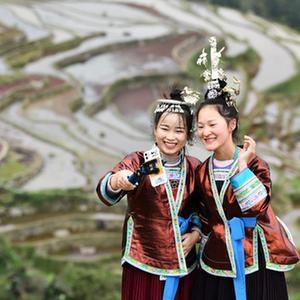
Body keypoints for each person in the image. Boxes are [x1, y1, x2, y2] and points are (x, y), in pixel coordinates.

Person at [191, 37, 300, 300]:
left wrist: (241, 169)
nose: (205, 132)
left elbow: (258, 208)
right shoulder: (202, 171)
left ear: (231, 124)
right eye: (200, 125)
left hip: (257, 255)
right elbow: (203, 214)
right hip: (216, 255)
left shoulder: (254, 162)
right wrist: (196, 232)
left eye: (212, 124)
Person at [96, 88, 202, 300]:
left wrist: (196, 235)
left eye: (179, 131)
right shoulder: (140, 162)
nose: (170, 137)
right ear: (155, 130)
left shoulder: (194, 168)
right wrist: (118, 181)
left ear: (188, 134)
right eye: (165, 128)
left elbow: (202, 211)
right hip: (143, 261)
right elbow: (106, 193)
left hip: (183, 264)